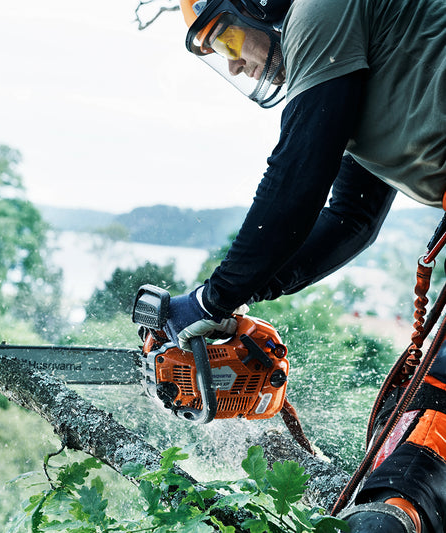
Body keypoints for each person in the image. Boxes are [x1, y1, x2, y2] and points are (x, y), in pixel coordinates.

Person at [161, 0, 446, 531]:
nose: (234, 65)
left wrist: (210, 299)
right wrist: (241, 297)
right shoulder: (355, 53)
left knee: (435, 418)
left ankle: (392, 519)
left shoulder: (320, 12)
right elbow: (350, 218)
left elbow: (297, 176)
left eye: (226, 41)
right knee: (417, 412)